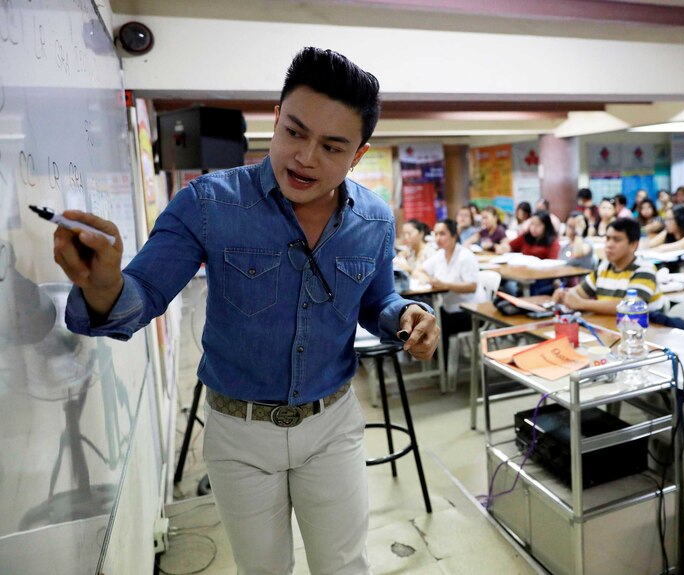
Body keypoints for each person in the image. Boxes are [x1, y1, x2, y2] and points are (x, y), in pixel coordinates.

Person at [52, 47, 440, 575]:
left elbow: (377, 302)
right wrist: (104, 286)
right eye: (295, 132)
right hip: (240, 433)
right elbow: (142, 292)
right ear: (276, 119)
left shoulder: (372, 218)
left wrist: (407, 315)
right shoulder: (209, 203)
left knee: (345, 566)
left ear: (358, 154)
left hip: (333, 426)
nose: (305, 157)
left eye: (331, 146)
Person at [552, 218, 663, 314]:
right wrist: (565, 293)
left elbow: (629, 307)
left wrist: (581, 304)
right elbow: (580, 292)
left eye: (616, 239)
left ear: (633, 245)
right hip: (611, 328)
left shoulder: (645, 270)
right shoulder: (604, 267)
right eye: (608, 238)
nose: (609, 245)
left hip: (641, 333)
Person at [414, 219, 486, 364]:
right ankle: (437, 363)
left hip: (471, 312)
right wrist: (428, 278)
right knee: (425, 318)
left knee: (436, 325)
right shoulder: (440, 255)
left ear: (454, 235)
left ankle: (444, 367)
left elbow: (471, 286)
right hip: (450, 308)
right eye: (436, 234)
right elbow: (419, 270)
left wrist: (443, 284)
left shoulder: (465, 256)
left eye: (443, 234)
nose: (438, 238)